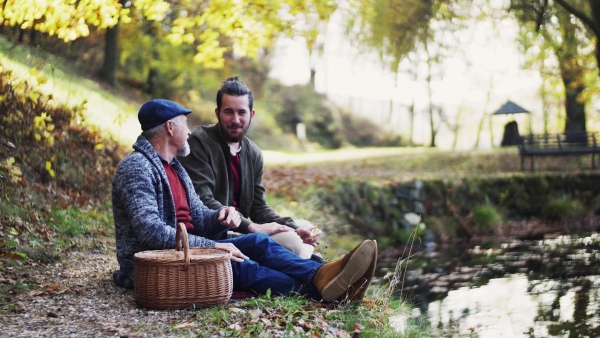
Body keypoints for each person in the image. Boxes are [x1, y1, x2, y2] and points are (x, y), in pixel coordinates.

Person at [112, 98, 377, 302]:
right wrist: (215, 246)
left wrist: (219, 217)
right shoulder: (137, 167)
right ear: (170, 127)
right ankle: (327, 292)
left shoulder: (175, 167)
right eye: (185, 123)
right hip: (161, 264)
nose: (189, 131)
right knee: (244, 267)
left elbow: (198, 218)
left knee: (259, 242)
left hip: (191, 250)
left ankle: (321, 274)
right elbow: (151, 233)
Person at [179, 76, 319, 259]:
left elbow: (258, 208)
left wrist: (294, 226)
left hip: (244, 230)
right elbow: (203, 201)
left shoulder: (253, 152)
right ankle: (315, 270)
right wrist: (252, 227)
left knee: (303, 227)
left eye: (241, 112)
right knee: (294, 244)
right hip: (215, 235)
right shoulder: (199, 143)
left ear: (251, 114)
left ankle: (320, 267)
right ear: (217, 113)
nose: (235, 119)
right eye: (228, 112)